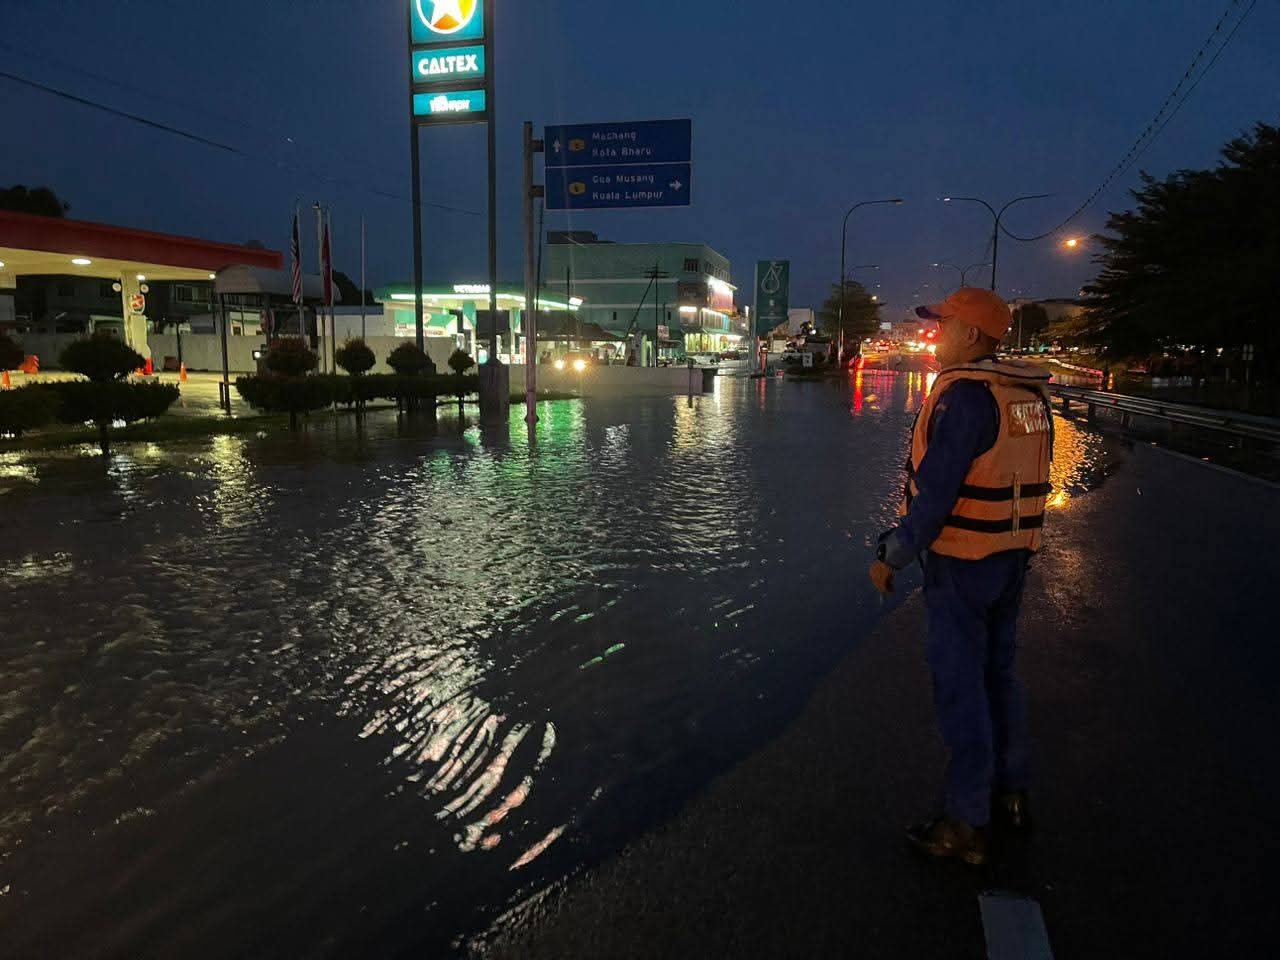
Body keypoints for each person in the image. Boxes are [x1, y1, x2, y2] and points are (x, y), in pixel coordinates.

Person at [868, 287, 1053, 866]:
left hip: (965, 560)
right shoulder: (1025, 394)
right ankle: (1010, 794)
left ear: (971, 334)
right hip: (1011, 555)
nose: (935, 333)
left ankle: (965, 822)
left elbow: (936, 497)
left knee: (960, 684)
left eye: (943, 323)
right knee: (999, 674)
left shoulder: (966, 398)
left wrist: (891, 555)